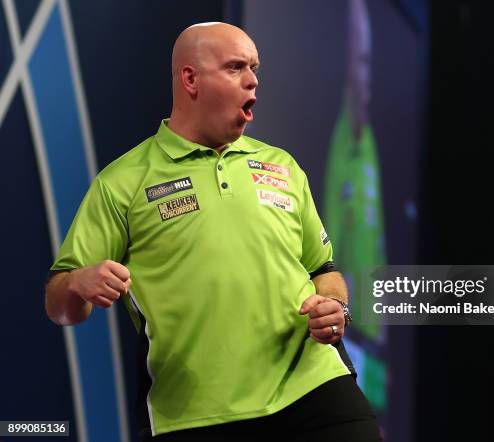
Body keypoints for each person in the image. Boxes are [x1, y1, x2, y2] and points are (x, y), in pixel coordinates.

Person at [45, 22, 382, 441]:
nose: (253, 79)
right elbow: (59, 304)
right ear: (191, 79)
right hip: (198, 413)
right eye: (236, 67)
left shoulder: (283, 166)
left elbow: (323, 269)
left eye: (255, 68)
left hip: (314, 385)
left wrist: (335, 306)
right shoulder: (123, 182)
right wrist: (79, 281)